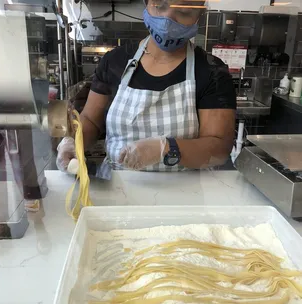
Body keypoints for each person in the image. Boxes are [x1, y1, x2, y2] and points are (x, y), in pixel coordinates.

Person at [57, 0, 236, 179]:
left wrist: (165, 148)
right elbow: (91, 120)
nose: (167, 19)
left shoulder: (212, 71)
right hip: (117, 187)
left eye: (184, 11)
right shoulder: (115, 61)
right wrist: (73, 143)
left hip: (184, 192)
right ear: (146, 3)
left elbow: (219, 149)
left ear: (200, 15)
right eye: (159, 5)